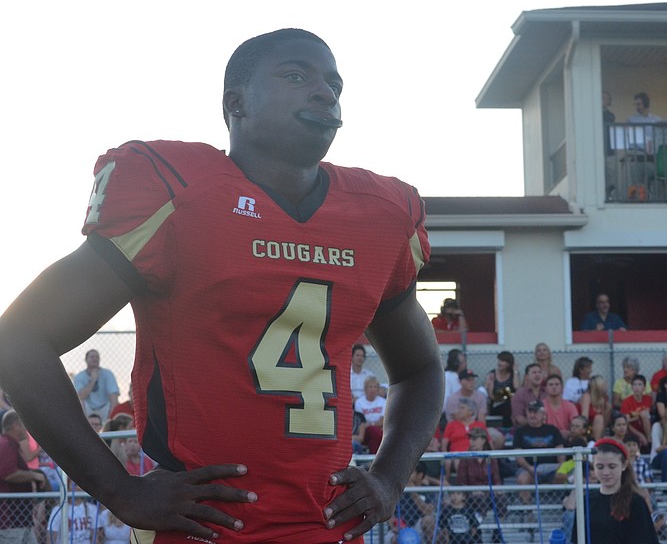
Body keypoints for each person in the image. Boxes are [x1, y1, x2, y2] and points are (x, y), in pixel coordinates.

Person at [0, 28, 445, 544]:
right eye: (296, 76)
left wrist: (389, 480)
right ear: (235, 102)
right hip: (199, 530)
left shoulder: (380, 215)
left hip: (327, 527)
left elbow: (420, 368)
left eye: (335, 84)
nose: (325, 92)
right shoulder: (178, 191)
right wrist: (120, 491)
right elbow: (19, 338)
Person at [571, 437, 659, 544]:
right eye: (600, 467)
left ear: (624, 465)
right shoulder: (586, 501)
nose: (606, 472)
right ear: (593, 467)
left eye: (612, 466)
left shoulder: (636, 502)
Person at [0, 411, 47, 544]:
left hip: (21, 519)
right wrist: (35, 476)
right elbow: (8, 474)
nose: (27, 430)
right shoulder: (6, 444)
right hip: (10, 521)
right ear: (16, 425)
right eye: (24, 424)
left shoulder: (11, 444)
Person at [514, 401, 565, 508]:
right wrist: (530, 468)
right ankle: (528, 512)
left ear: (543, 414)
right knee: (523, 479)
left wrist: (562, 466)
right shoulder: (520, 431)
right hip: (528, 469)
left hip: (551, 469)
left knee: (566, 475)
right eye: (530, 412)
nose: (532, 415)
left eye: (535, 412)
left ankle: (562, 508)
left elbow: (560, 451)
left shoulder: (552, 430)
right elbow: (518, 455)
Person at [73, 349, 120, 422]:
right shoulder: (79, 377)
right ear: (86, 359)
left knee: (114, 402)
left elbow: (114, 397)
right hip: (88, 409)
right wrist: (93, 380)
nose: (95, 359)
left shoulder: (108, 374)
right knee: (81, 401)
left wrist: (110, 418)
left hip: (105, 408)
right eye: (92, 357)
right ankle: (84, 422)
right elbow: (81, 396)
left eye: (97, 357)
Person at [484, 351, 519, 428]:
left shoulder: (512, 374)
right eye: (499, 360)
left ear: (509, 364)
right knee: (509, 396)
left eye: (502, 361)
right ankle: (507, 429)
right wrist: (508, 393)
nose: (499, 363)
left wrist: (515, 371)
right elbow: (490, 395)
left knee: (511, 398)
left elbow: (517, 388)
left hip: (509, 404)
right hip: (495, 405)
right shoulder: (492, 374)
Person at [355, 376, 388, 454]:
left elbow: (382, 421)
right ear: (365, 389)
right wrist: (373, 425)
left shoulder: (383, 402)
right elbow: (361, 423)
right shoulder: (359, 402)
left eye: (375, 387)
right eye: (370, 387)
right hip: (364, 432)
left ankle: (373, 458)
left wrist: (370, 424)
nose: (373, 389)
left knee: (374, 437)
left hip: (378, 431)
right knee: (375, 432)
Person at [542, 374, 579, 440]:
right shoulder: (541, 406)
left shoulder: (570, 406)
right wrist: (557, 433)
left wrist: (570, 433)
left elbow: (577, 425)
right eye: (551, 385)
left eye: (557, 384)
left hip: (567, 438)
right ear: (546, 388)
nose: (554, 387)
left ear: (562, 388)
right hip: (546, 439)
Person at [619, 374, 652, 448]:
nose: (637, 387)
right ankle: (646, 440)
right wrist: (640, 434)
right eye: (634, 385)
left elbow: (647, 415)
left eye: (640, 385)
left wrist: (639, 416)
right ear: (631, 387)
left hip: (645, 427)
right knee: (643, 414)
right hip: (632, 429)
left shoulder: (648, 399)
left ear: (644, 387)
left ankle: (649, 440)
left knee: (644, 414)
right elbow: (626, 422)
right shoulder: (626, 402)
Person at [511, 363, 545, 427]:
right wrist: (536, 424)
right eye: (534, 373)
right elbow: (518, 418)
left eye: (539, 372)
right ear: (527, 377)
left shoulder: (547, 393)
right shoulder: (520, 394)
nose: (537, 375)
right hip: (526, 429)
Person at [580, 375, 612, 441]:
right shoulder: (587, 396)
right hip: (585, 428)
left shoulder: (603, 399)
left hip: (596, 429)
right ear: (599, 386)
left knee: (600, 417)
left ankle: (596, 442)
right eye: (604, 384)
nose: (606, 386)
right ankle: (594, 444)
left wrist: (608, 411)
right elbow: (584, 418)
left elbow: (603, 423)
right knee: (598, 418)